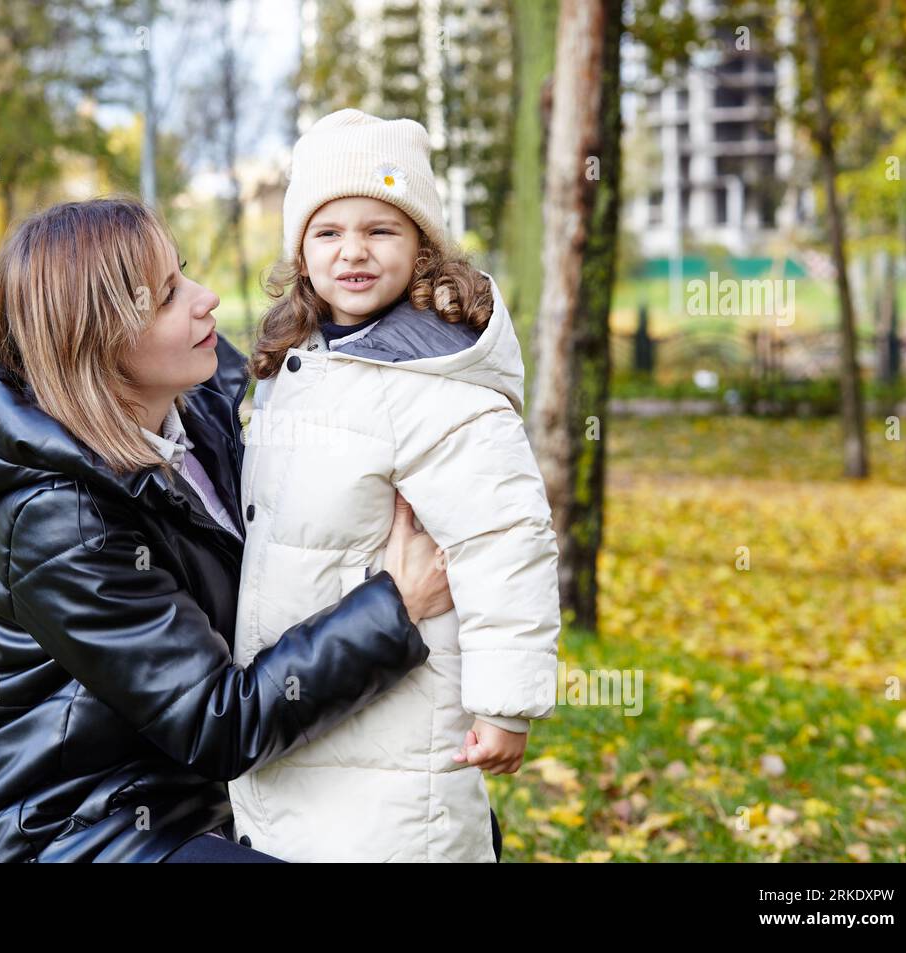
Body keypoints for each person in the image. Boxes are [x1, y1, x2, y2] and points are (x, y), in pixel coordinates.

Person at [0, 197, 455, 862]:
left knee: (447, 833)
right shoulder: (60, 520)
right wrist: (393, 607)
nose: (207, 298)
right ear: (99, 340)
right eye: (168, 295)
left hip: (207, 795)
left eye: (185, 273)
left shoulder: (194, 414)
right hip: (78, 830)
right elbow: (217, 718)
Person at [228, 108, 562, 862]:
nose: (353, 251)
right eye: (328, 231)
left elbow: (505, 539)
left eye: (381, 229)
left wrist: (507, 702)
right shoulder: (299, 361)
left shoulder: (440, 383)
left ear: (421, 246)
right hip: (309, 693)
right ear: (301, 250)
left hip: (397, 715)